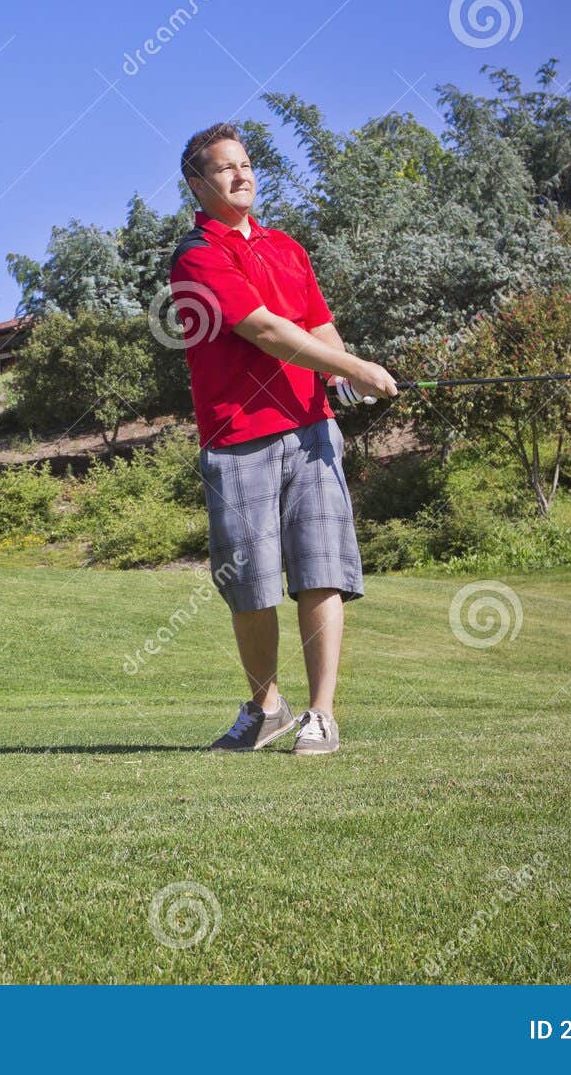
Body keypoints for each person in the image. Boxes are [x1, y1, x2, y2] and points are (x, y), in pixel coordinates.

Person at [169, 122, 398, 755]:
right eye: (224, 168)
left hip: (311, 429)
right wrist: (357, 370)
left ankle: (321, 713)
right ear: (196, 183)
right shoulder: (197, 255)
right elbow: (264, 330)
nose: (241, 175)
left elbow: (319, 326)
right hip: (238, 434)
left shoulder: (288, 248)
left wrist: (341, 374)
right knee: (251, 580)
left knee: (322, 568)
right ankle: (267, 705)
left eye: (246, 164)